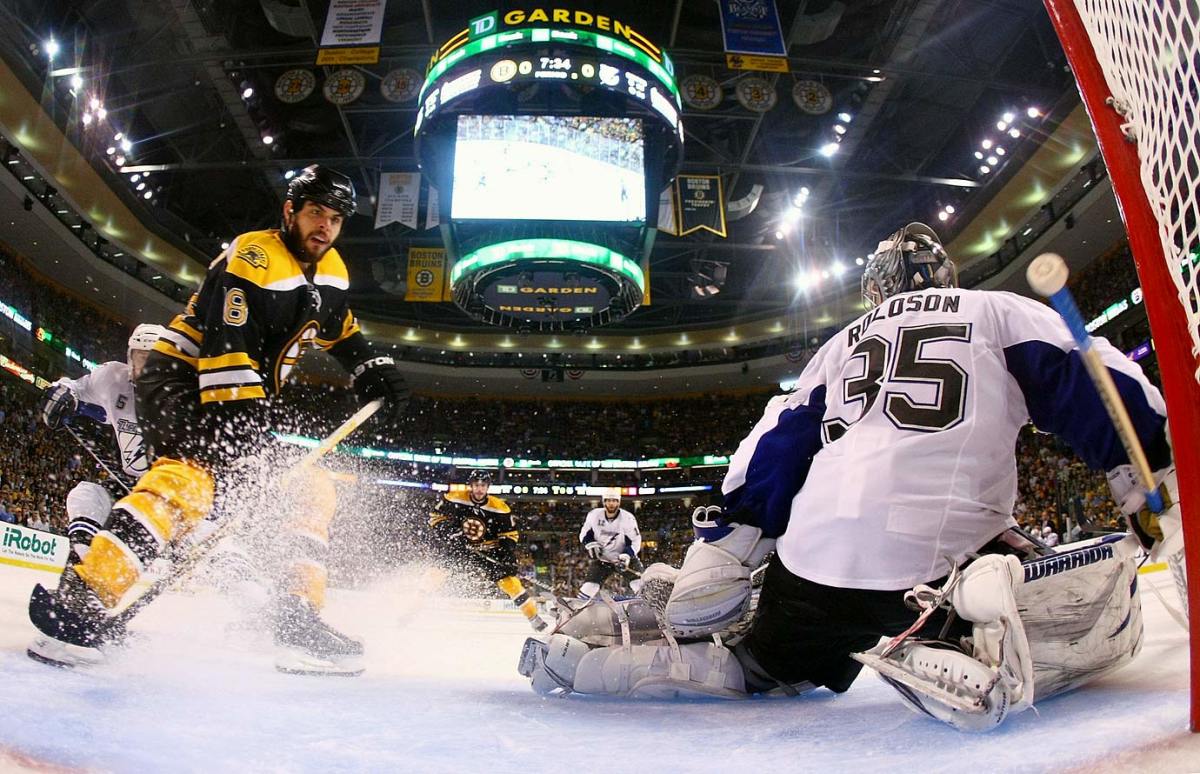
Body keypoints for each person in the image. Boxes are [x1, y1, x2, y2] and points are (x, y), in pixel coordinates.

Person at [518, 222, 1182, 731]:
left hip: (815, 568)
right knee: (1045, 573)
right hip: (940, 557)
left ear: (875, 290)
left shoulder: (840, 346)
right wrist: (1151, 469)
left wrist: (729, 544)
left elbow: (775, 447)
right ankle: (956, 634)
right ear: (945, 272)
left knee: (765, 664)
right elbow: (1094, 380)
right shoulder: (996, 310)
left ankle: (607, 662)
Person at [27, 164, 411, 676]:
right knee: (190, 481)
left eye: (336, 218)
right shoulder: (253, 257)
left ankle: (297, 619)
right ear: (290, 211)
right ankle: (82, 599)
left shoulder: (333, 270)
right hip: (182, 378)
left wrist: (369, 365)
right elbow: (226, 347)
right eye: (316, 212)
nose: (325, 226)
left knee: (310, 489)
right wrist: (244, 435)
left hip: (241, 393)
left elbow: (340, 329)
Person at [39, 323, 166, 559]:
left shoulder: (181, 395)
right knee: (85, 496)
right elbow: (77, 388)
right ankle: (80, 580)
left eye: (153, 360)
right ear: (130, 358)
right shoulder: (114, 379)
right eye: (141, 358)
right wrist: (62, 392)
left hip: (172, 494)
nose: (145, 367)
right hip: (128, 486)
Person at [427, 469, 547, 632]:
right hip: (460, 546)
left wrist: (507, 558)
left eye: (483, 485)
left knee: (510, 582)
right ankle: (413, 605)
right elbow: (436, 517)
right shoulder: (454, 497)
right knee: (437, 572)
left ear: (488, 487)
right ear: (470, 485)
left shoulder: (500, 508)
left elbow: (509, 535)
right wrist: (451, 534)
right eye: (476, 485)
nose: (479, 489)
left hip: (489, 549)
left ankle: (534, 618)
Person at [578, 488, 643, 598]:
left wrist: (627, 555)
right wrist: (590, 544)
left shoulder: (628, 518)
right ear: (604, 502)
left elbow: (636, 540)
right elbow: (584, 533)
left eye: (614, 500)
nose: (611, 503)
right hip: (603, 559)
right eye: (608, 500)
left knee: (639, 584)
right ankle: (577, 608)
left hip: (624, 560)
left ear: (618, 502)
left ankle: (649, 606)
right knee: (589, 586)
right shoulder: (594, 515)